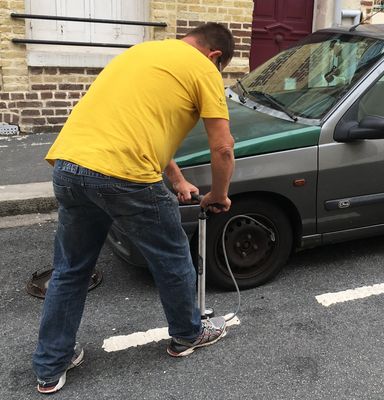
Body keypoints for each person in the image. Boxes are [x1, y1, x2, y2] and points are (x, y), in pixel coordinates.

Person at [32, 22, 236, 394]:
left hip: (69, 165)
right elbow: (223, 147)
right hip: (124, 176)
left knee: (71, 270)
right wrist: (217, 195)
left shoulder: (143, 52)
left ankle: (50, 366)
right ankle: (188, 335)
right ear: (215, 56)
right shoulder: (204, 68)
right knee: (173, 258)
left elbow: (142, 130)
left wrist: (176, 180)